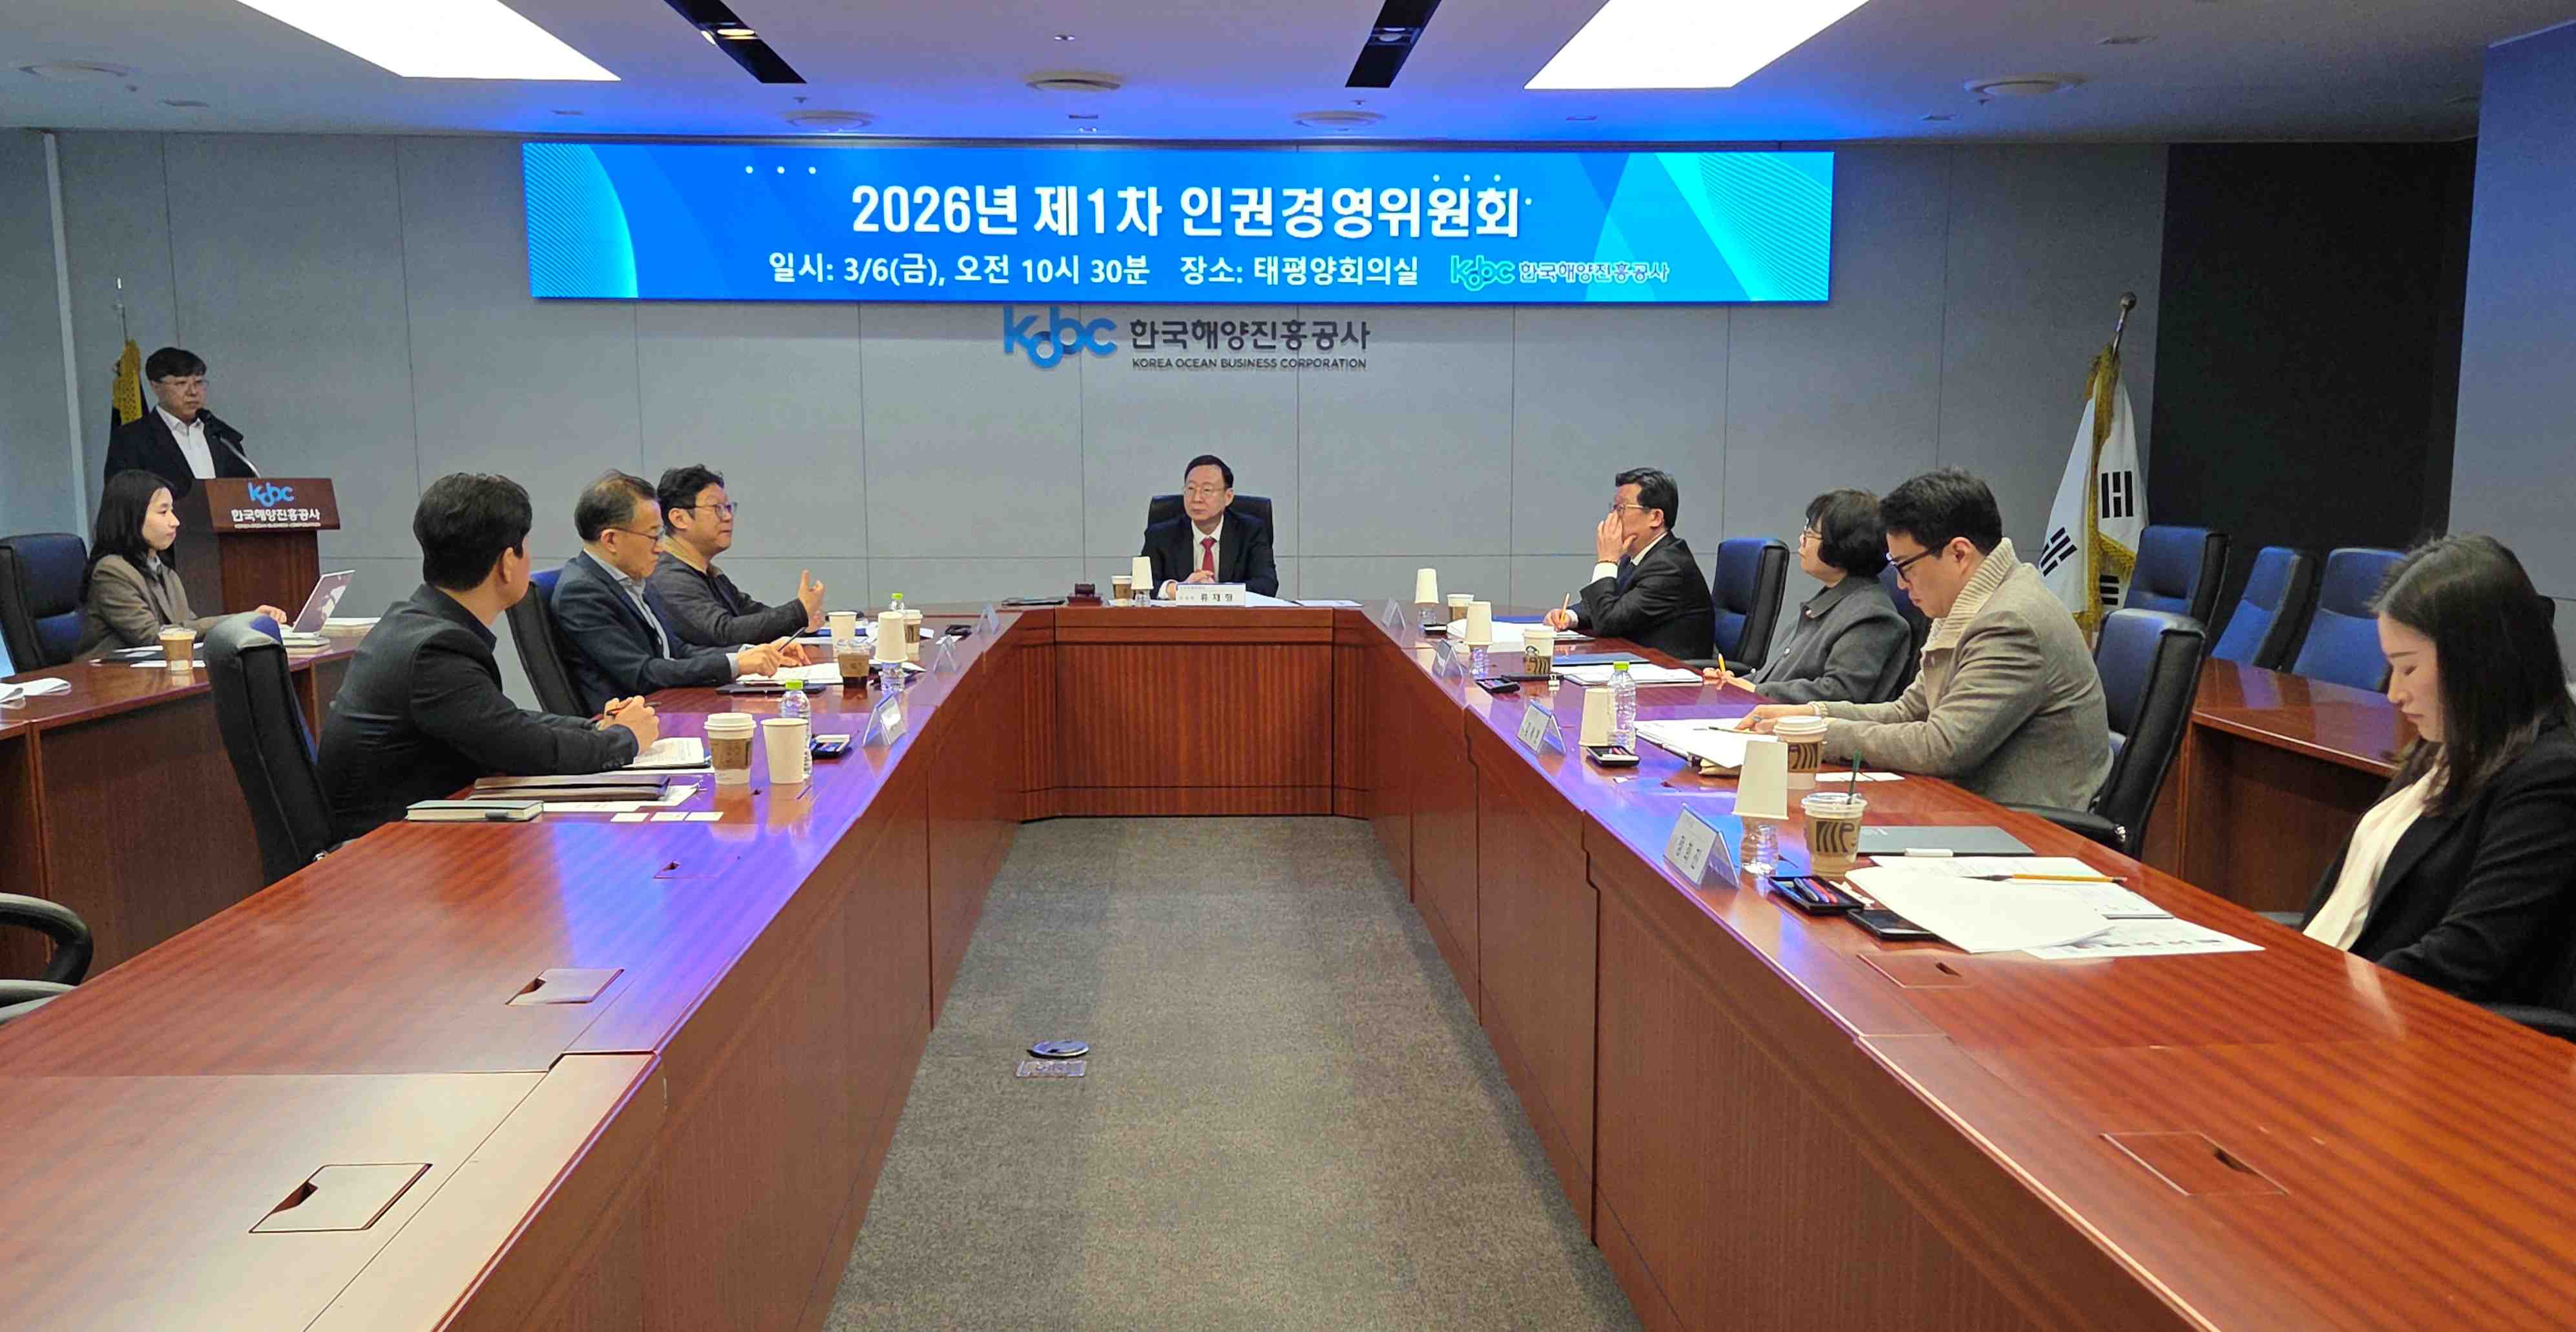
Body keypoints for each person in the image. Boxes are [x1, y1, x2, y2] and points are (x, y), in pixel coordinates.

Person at [2298, 536, 2576, 1004]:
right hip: (2341, 996)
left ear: (2476, 663)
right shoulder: (2444, 747)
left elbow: (2467, 957)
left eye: (2407, 669)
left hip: (2410, 1024)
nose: (2393, 693)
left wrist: (2328, 995)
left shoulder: (2550, 778)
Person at [319, 474, 658, 841]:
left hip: (423, 833)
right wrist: (625, 740)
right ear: (507, 562)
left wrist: (592, 727)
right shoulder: (435, 650)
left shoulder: (415, 621)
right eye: (525, 548)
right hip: (386, 850)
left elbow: (501, 720)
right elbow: (523, 749)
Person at [1744, 469, 2108, 807]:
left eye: (1905, 567)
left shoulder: (2010, 622)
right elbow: (1909, 710)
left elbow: (1942, 746)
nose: (1901, 585)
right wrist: (1811, 713)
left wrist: (1820, 734)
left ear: (1959, 554)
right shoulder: (1966, 603)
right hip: (1966, 806)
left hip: (2027, 828)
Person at [552, 470, 798, 714]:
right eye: (653, 536)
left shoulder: (629, 577)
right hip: (634, 720)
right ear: (611, 540)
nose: (661, 548)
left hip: (666, 705)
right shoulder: (581, 593)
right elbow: (643, 673)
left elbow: (677, 651)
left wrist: (750, 654)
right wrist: (734, 664)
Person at [1704, 489, 1910, 704]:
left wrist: (1755, 690)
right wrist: (1733, 683)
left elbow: (1840, 693)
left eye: (1810, 534)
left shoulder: (1871, 616)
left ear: (1843, 545)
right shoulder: (1828, 601)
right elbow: (1775, 677)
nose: (1802, 539)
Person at [74, 469, 286, 656]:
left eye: (172, 511)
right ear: (131, 517)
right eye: (163, 512)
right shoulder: (111, 571)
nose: (175, 521)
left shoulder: (165, 571)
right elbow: (153, 637)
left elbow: (189, 627)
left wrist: (247, 621)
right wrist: (240, 620)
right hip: (109, 680)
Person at [1540, 467, 1715, 662]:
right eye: (1614, 508)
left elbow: (1608, 621)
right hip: (1636, 663)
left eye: (1621, 509)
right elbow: (1609, 604)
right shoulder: (1637, 556)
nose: (1612, 518)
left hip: (1669, 674)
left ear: (1656, 517)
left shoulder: (1670, 567)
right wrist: (1571, 616)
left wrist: (1606, 561)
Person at [648, 464, 825, 649]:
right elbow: (723, 632)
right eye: (716, 508)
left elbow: (749, 613)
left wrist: (802, 621)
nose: (728, 517)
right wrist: (798, 612)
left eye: (728, 508)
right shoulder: (668, 575)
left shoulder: (707, 572)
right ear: (679, 518)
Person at [103, 347, 255, 498]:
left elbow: (246, 491)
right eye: (181, 384)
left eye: (199, 383)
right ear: (155, 386)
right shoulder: (131, 439)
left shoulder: (222, 435)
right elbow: (123, 498)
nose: (193, 392)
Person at [1141, 454, 1279, 598]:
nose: (1196, 498)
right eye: (1191, 489)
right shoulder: (1160, 535)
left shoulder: (1251, 532)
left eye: (1207, 490)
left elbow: (1267, 584)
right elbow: (1140, 585)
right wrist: (1180, 589)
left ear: (1228, 497)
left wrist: (1217, 592)